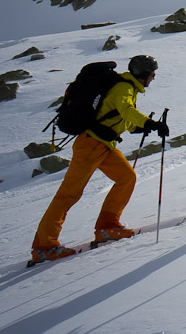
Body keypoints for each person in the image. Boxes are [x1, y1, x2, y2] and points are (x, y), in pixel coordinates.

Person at [30, 55, 168, 264]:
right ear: (142, 74)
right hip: (91, 145)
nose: (153, 78)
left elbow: (123, 118)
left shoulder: (127, 88)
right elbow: (127, 111)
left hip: (104, 145)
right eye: (152, 74)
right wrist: (150, 123)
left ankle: (107, 227)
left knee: (126, 177)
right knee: (68, 195)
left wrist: (144, 126)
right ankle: (44, 246)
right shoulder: (124, 88)